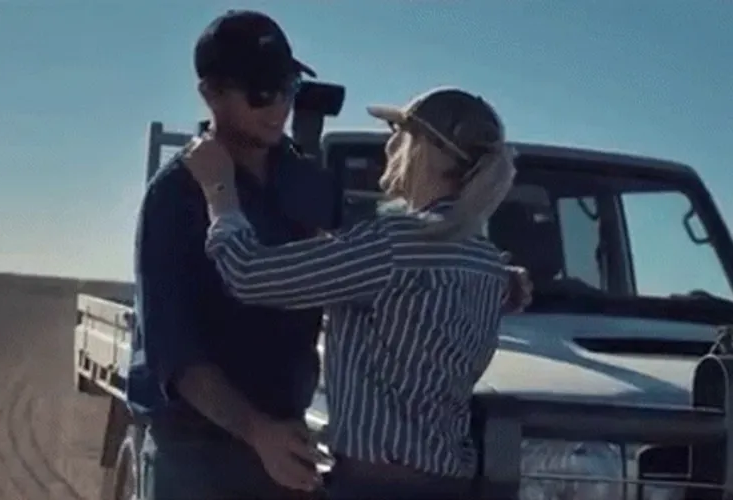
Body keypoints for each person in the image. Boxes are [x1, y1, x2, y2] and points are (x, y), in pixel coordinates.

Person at [184, 87, 531, 499]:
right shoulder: (486, 263)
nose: (390, 146)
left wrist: (219, 191)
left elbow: (247, 274)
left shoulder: (394, 244)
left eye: (398, 133)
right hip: (449, 485)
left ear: (428, 150)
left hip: (374, 486)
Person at [125, 10, 341, 499]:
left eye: (287, 87)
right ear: (210, 93)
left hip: (288, 443)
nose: (278, 106)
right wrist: (257, 431)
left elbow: (367, 266)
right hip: (197, 453)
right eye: (260, 91)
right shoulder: (176, 195)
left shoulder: (312, 185)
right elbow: (174, 352)